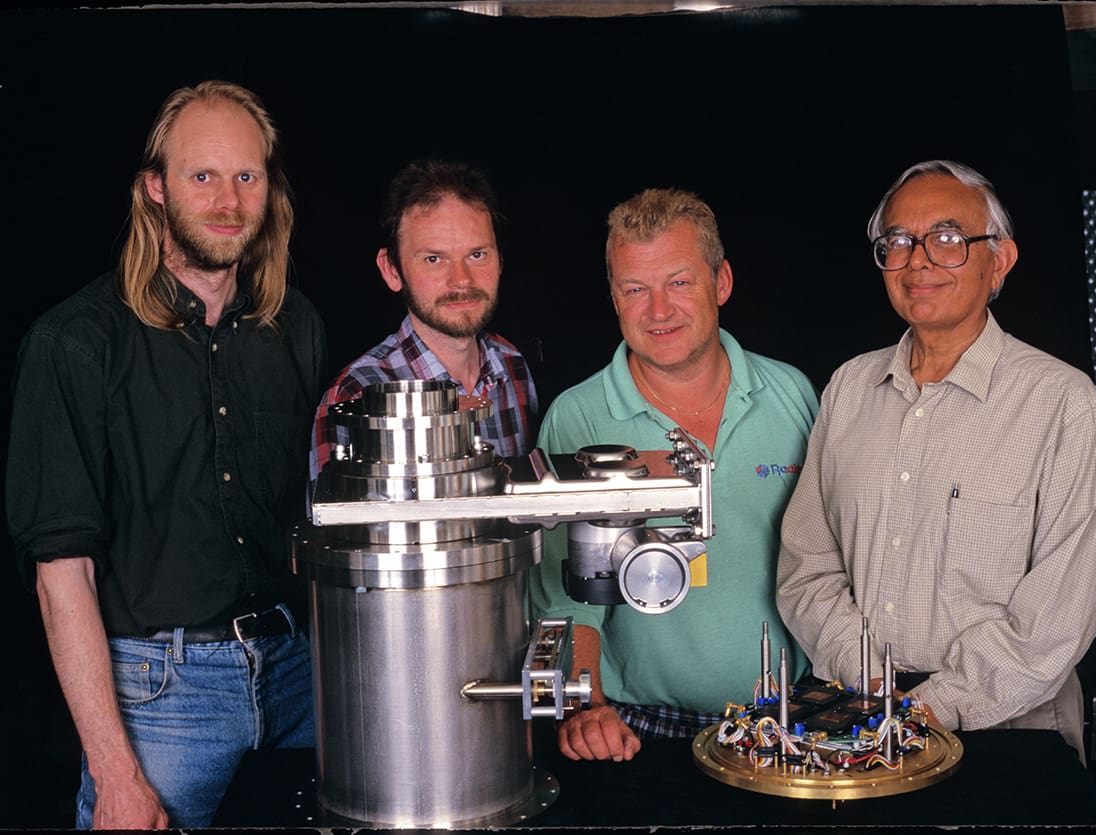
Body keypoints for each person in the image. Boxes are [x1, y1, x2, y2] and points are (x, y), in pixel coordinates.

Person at [6, 80, 328, 829]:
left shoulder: (296, 327)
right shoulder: (77, 344)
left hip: (298, 675)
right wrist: (117, 768)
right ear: (155, 188)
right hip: (161, 697)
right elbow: (63, 573)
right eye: (202, 176)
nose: (227, 199)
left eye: (246, 176)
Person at [775, 159, 1096, 762]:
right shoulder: (849, 388)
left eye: (948, 240)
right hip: (863, 714)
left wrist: (929, 708)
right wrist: (877, 689)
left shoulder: (1060, 402)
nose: (918, 261)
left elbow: (1063, 611)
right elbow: (807, 566)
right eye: (898, 242)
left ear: (999, 261)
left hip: (1014, 728)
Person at [529, 187, 821, 762]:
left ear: (723, 282)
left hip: (791, 722)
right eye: (635, 289)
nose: (658, 311)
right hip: (640, 731)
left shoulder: (793, 395)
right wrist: (589, 710)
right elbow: (565, 598)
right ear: (614, 297)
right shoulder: (578, 416)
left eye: (679, 282)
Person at [309, 158, 538, 486]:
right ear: (391, 270)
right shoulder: (356, 396)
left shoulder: (512, 368)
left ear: (500, 259)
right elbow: (338, 531)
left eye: (477, 255)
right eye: (434, 259)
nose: (461, 280)